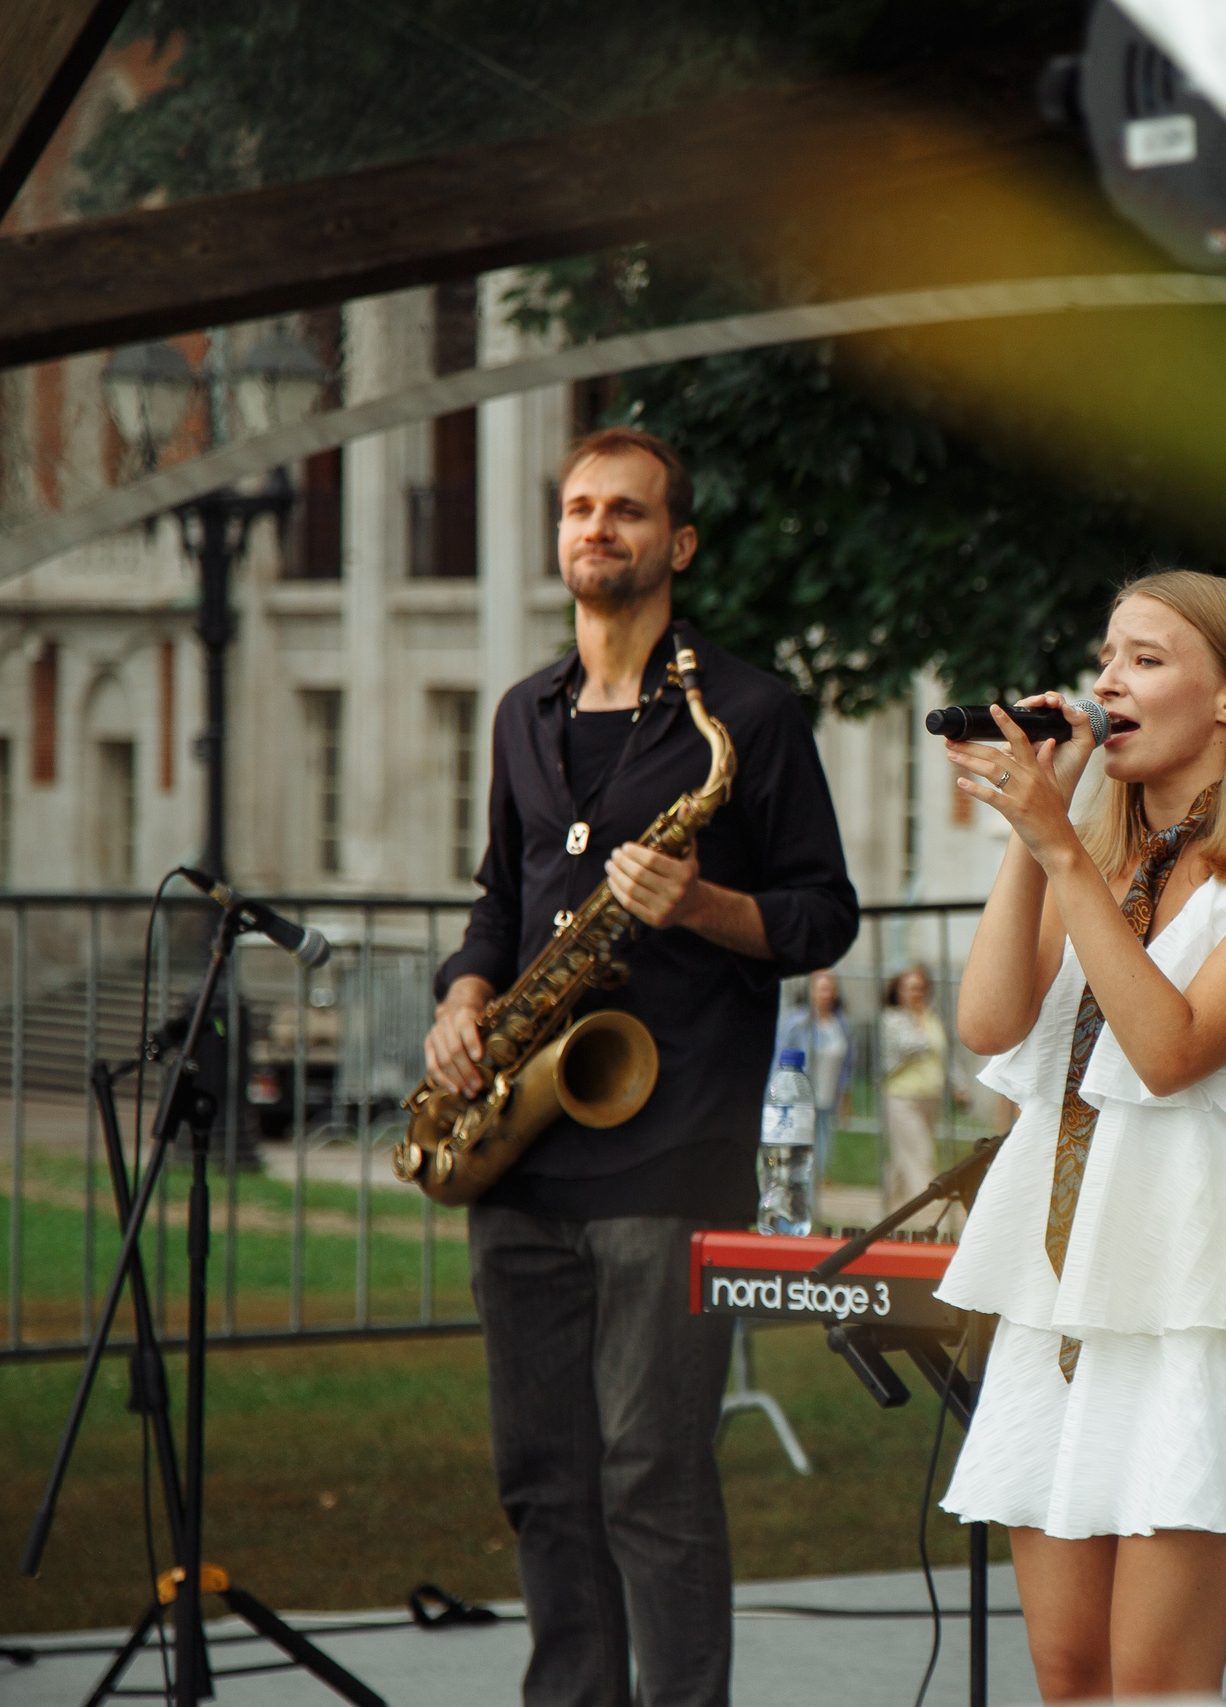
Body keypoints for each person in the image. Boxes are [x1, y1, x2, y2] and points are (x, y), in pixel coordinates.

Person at [423, 426, 858, 1707]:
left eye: (625, 510)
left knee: (652, 1477)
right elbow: (500, 900)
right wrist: (465, 995)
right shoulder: (523, 713)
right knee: (542, 1479)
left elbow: (824, 916)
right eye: (577, 508)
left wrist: (702, 906)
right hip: (523, 1152)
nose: (596, 528)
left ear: (680, 543)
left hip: (671, 1155)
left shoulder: (749, 716)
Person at [933, 569, 1226, 1698]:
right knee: (1069, 1672)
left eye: (1144, 657)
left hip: (1196, 1297)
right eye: (1105, 657)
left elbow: (1171, 1051)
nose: (1108, 680)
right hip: (1062, 1292)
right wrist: (1037, 829)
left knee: (1156, 1682)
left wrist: (1061, 852)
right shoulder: (1094, 856)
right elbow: (988, 1020)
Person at [879, 964, 949, 1211]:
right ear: (898, 991)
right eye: (909, 988)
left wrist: (959, 1086)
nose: (915, 994)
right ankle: (928, 1209)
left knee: (903, 1156)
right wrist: (921, 1028)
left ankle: (887, 1210)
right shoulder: (893, 1019)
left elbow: (943, 1053)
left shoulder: (931, 1016)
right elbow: (909, 1046)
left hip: (930, 1095)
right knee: (921, 1153)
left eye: (920, 988)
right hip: (902, 1096)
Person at [773, 967, 853, 1184]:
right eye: (821, 989)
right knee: (799, 1149)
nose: (826, 994)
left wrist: (845, 1094)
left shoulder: (840, 1023)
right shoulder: (796, 1022)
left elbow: (847, 1063)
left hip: (827, 1096)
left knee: (823, 1148)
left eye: (830, 989)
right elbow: (779, 1059)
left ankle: (812, 1191)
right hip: (799, 1098)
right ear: (810, 991)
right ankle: (798, 1191)